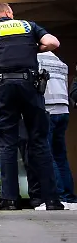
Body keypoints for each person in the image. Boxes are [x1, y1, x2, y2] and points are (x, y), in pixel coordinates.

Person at [0, 2, 64, 211]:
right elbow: (54, 43)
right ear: (9, 13)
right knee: (39, 142)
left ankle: (10, 200)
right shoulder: (28, 26)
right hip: (30, 87)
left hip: (4, 89)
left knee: (7, 144)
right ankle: (52, 200)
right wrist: (35, 48)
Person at [38, 51, 77, 205]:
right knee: (61, 156)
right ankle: (69, 197)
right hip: (63, 110)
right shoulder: (59, 61)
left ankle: (58, 197)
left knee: (48, 156)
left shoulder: (36, 59)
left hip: (48, 110)